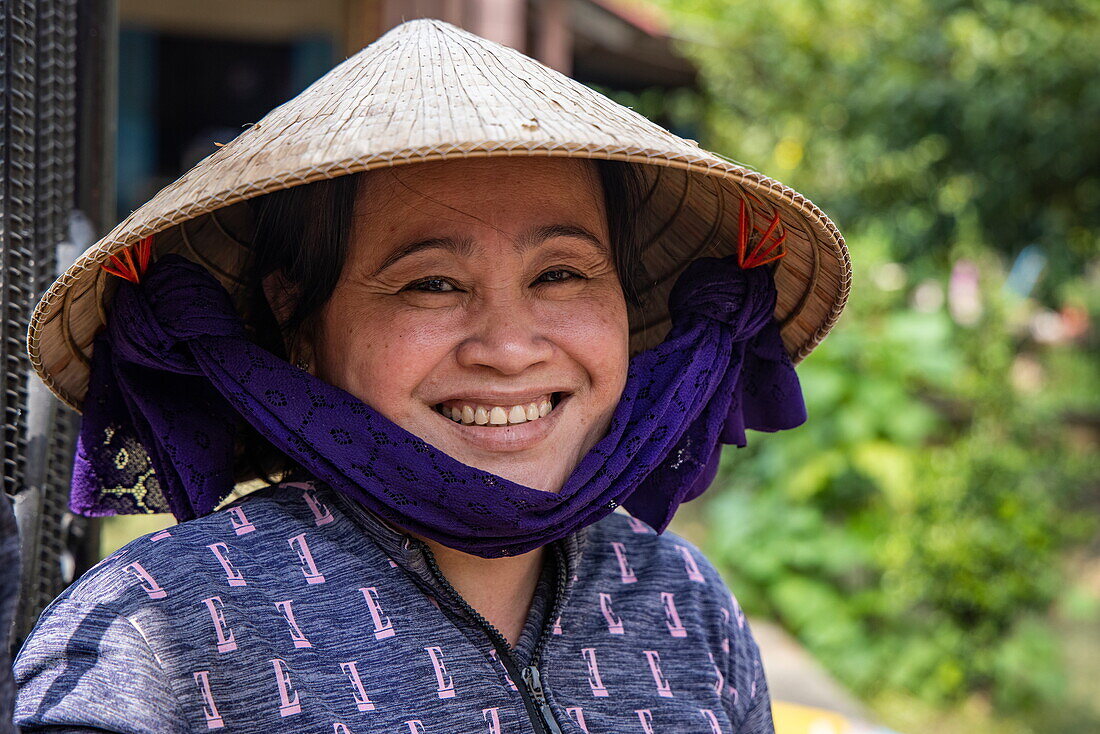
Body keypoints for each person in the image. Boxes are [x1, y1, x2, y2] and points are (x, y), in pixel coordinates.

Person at [13, 19, 849, 734]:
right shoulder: (161, 629)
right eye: (431, 284)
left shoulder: (683, 604)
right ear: (300, 323)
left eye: (560, 274)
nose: (511, 348)